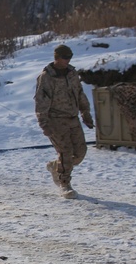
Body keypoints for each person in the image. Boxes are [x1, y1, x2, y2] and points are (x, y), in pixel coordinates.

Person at [34, 45, 93, 199]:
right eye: (65, 57)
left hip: (73, 118)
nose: (68, 60)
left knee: (80, 153)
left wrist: (85, 113)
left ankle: (56, 166)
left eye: (70, 57)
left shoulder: (72, 73)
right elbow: (41, 102)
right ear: (57, 58)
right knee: (65, 152)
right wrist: (44, 123)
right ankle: (64, 184)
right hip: (56, 120)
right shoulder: (46, 77)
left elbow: (79, 94)